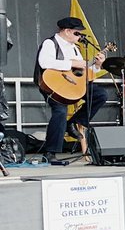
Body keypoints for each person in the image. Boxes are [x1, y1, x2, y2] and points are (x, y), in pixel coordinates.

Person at [35, 16, 109, 157]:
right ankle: (51, 151)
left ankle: (75, 122)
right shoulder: (50, 43)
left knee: (100, 95)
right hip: (53, 86)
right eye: (77, 33)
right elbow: (44, 62)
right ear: (67, 31)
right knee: (60, 111)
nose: (80, 36)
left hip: (72, 84)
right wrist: (71, 63)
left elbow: (82, 71)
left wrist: (97, 66)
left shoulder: (75, 48)